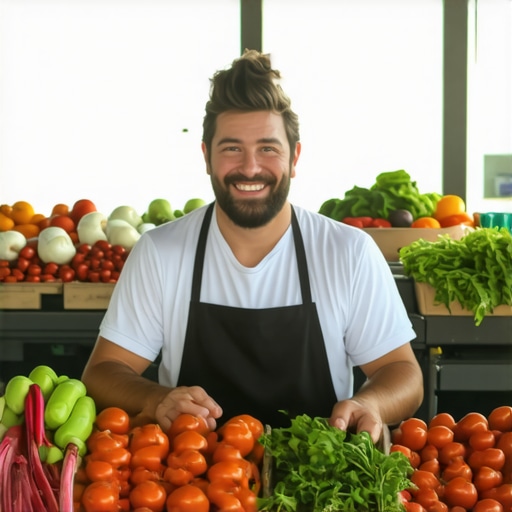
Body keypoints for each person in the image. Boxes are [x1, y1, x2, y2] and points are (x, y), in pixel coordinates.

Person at [82, 49, 423, 443]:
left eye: (267, 148)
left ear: (294, 157)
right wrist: (156, 398)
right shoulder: (161, 252)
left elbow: (403, 372)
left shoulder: (348, 252)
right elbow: (104, 370)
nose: (249, 167)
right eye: (231, 149)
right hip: (192, 484)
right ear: (206, 156)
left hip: (318, 486)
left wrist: (373, 403)